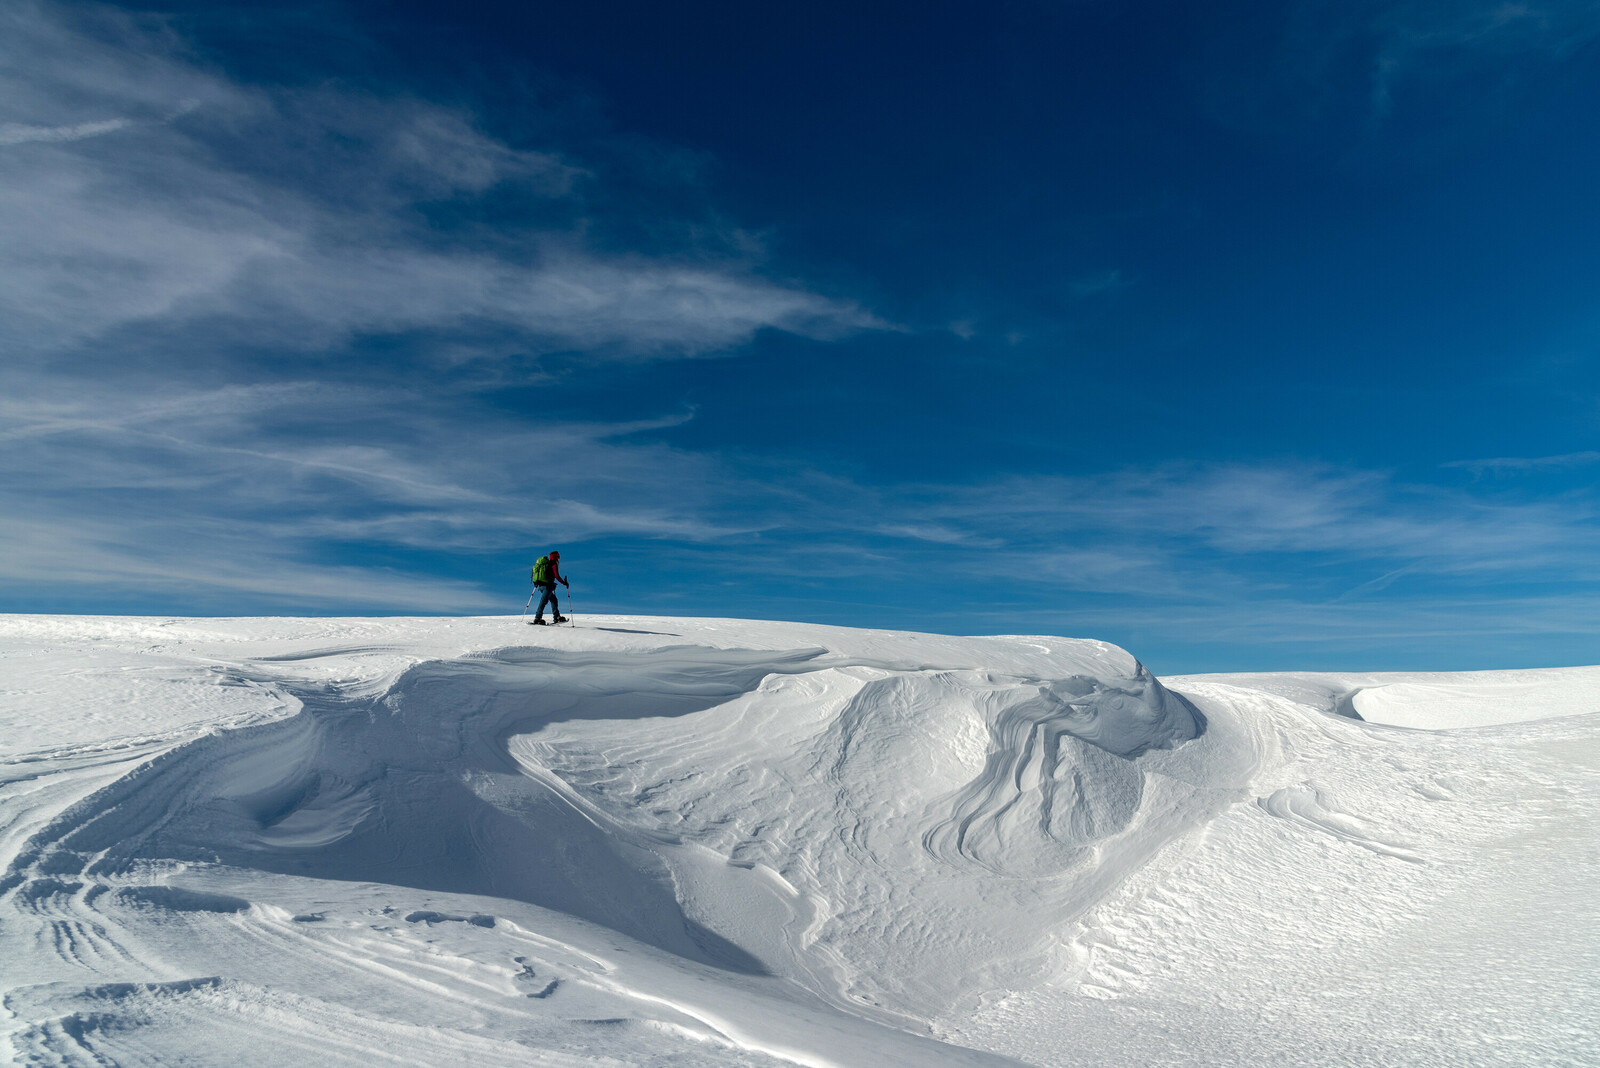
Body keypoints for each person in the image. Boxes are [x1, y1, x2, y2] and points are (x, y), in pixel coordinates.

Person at [530, 550, 568, 625]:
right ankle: (538, 618)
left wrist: (552, 583)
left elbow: (548, 576)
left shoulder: (546, 565)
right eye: (558, 558)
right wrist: (564, 583)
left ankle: (557, 617)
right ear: (556, 557)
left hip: (541, 586)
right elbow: (556, 576)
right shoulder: (553, 564)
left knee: (553, 600)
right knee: (544, 601)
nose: (559, 560)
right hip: (547, 587)